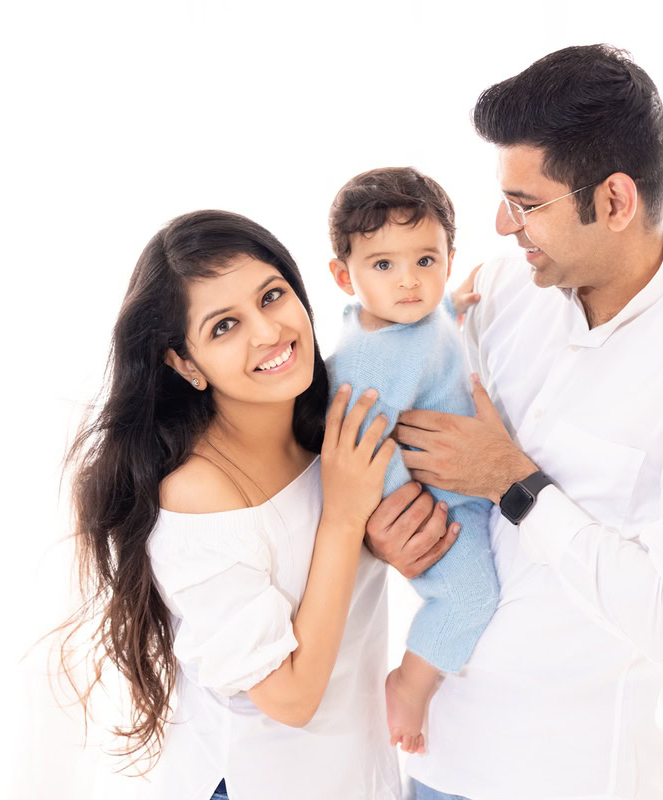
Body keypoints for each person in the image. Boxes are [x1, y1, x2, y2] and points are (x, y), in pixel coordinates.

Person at [362, 45, 663, 799]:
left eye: (527, 203)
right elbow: (428, 448)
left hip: (571, 776)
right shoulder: (501, 292)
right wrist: (391, 534)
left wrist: (515, 482)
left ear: (617, 201)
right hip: (431, 759)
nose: (502, 224)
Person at [60, 210, 408, 799]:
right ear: (184, 363)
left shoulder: (326, 424)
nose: (268, 333)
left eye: (272, 296)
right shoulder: (201, 494)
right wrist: (346, 518)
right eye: (224, 327)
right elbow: (292, 699)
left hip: (357, 774)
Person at [324, 167, 500, 755]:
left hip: (469, 486)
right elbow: (363, 447)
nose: (408, 283)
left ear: (450, 257)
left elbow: (427, 328)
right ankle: (412, 685)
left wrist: (456, 304)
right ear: (344, 276)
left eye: (425, 262)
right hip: (440, 512)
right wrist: (408, 506)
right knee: (471, 595)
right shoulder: (370, 365)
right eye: (383, 266)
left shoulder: (415, 319)